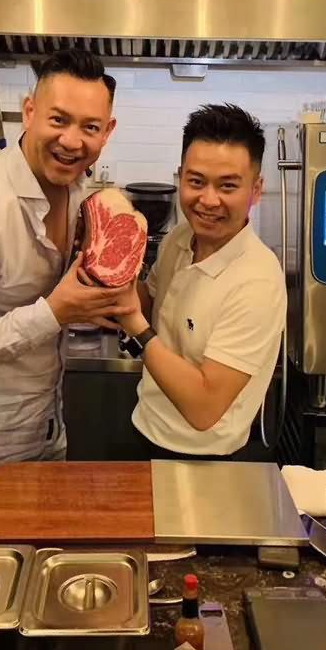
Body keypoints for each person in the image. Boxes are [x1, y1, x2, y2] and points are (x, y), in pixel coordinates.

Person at [0, 50, 134, 521]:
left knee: (38, 561)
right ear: (29, 112)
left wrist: (116, 209)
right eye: (59, 120)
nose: (71, 141)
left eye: (90, 127)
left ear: (107, 132)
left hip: (46, 431)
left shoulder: (75, 191)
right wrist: (54, 313)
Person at [114, 103, 286, 460]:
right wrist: (114, 270)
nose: (208, 200)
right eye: (196, 182)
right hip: (145, 425)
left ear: (256, 190)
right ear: (180, 178)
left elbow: (205, 408)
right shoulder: (179, 238)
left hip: (207, 458)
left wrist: (134, 324)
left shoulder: (257, 280)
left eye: (227, 186)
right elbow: (150, 301)